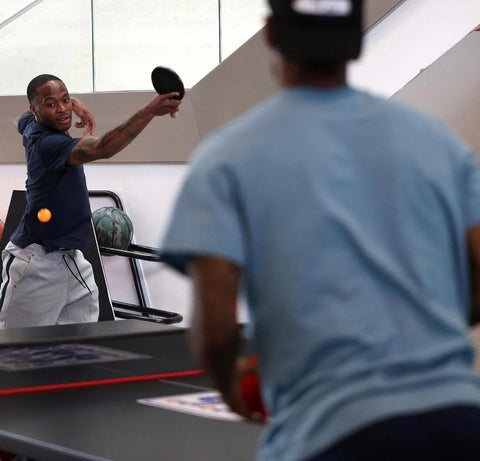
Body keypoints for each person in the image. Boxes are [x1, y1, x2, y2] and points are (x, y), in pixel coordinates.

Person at [160, 0, 480, 460]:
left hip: (333, 434)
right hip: (460, 421)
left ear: (270, 34)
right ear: (354, 39)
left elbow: (215, 323)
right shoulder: (439, 142)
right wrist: (420, 335)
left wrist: (230, 387)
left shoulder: (228, 157)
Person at [0, 74, 181, 329]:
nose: (62, 109)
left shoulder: (29, 123)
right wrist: (149, 110)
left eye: (64, 100)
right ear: (36, 110)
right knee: (14, 354)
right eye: (51, 104)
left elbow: (23, 117)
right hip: (35, 265)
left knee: (78, 350)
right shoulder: (47, 144)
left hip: (73, 261)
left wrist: (74, 102)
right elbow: (102, 148)